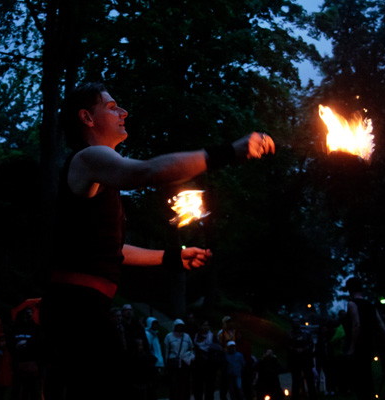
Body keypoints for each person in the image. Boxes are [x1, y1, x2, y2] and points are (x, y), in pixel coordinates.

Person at [41, 81, 275, 400]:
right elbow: (148, 171)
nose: (123, 112)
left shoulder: (98, 176)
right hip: (77, 306)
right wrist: (228, 152)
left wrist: (172, 258)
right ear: (87, 118)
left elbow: (114, 251)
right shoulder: (88, 158)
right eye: (112, 107)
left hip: (83, 305)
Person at [343, 277, 385, 400]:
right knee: (367, 376)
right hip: (369, 346)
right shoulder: (371, 305)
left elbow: (356, 324)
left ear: (349, 289)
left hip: (358, 347)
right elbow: (381, 325)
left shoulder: (352, 303)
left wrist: (351, 348)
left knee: (359, 380)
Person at [164, 319, 195, 400]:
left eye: (180, 326)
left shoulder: (187, 337)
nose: (179, 328)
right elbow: (166, 350)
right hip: (173, 364)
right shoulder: (169, 337)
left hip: (184, 364)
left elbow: (192, 348)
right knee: (174, 384)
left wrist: (191, 357)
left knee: (184, 384)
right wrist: (166, 363)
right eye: (177, 326)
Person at [286, 318, 317, 400]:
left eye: (297, 322)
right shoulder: (289, 334)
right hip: (295, 360)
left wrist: (304, 349)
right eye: (294, 323)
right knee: (296, 380)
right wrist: (295, 349)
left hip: (306, 359)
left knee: (309, 379)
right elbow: (287, 345)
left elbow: (311, 344)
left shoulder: (306, 333)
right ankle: (296, 396)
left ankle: (312, 395)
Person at [192, 319, 220, 400]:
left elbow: (217, 350)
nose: (205, 327)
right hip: (198, 366)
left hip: (209, 366)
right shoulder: (196, 336)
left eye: (207, 325)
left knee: (209, 387)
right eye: (204, 325)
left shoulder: (212, 336)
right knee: (198, 387)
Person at [145, 317, 164, 399]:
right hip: (153, 363)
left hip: (157, 363)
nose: (156, 325)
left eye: (156, 323)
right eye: (154, 323)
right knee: (152, 386)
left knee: (156, 386)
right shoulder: (148, 334)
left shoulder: (155, 335)